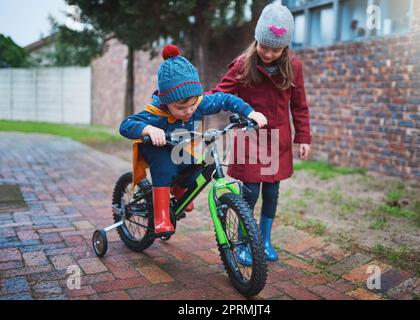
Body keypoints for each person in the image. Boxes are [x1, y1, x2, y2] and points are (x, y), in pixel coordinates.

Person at [119, 45, 267, 237]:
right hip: (156, 149)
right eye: (181, 108)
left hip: (180, 148)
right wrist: (148, 129)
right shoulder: (156, 112)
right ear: (166, 102)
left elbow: (225, 99)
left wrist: (250, 112)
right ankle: (161, 215)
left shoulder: (197, 102)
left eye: (192, 105)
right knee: (165, 166)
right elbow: (126, 124)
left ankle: (180, 190)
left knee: (196, 164)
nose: (189, 111)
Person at [211, 3, 312, 265]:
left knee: (272, 193)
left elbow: (299, 105)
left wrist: (303, 137)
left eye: (275, 49)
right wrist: (191, 105)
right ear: (256, 40)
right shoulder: (243, 65)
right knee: (250, 192)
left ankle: (264, 240)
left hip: (277, 140)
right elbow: (220, 94)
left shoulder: (294, 68)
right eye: (264, 46)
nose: (268, 53)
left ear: (285, 47)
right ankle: (246, 240)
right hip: (250, 138)